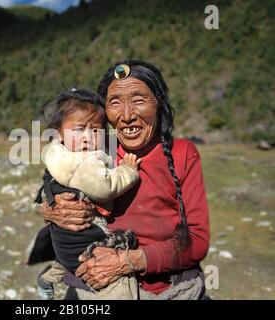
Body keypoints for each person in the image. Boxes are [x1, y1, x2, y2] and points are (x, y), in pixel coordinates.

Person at [40, 60, 210, 300]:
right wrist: (50, 210)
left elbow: (198, 241)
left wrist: (129, 261)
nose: (127, 115)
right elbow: (56, 181)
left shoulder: (182, 153)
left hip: (166, 288)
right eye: (115, 103)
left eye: (139, 100)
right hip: (93, 284)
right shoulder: (96, 150)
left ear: (159, 104)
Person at [29, 88, 141, 300]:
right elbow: (105, 187)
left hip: (64, 247)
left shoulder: (56, 153)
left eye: (96, 131)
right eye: (79, 130)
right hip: (85, 248)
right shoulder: (84, 162)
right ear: (59, 133)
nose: (88, 138)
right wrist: (128, 170)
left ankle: (53, 273)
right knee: (122, 289)